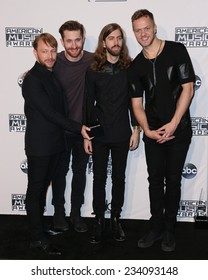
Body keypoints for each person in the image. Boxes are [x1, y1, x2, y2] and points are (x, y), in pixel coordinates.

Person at [128, 9, 195, 252]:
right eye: (138, 30)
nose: (143, 33)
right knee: (155, 181)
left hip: (179, 130)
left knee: (173, 180)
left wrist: (175, 123)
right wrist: (147, 130)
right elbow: (136, 104)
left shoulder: (176, 50)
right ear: (134, 32)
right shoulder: (135, 66)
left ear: (154, 27)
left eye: (146, 28)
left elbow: (188, 89)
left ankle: (169, 229)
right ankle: (155, 226)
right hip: (153, 134)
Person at [22, 33, 91, 255]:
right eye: (45, 51)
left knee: (42, 190)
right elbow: (50, 113)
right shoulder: (33, 79)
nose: (50, 55)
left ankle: (40, 229)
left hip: (53, 144)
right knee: (35, 191)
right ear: (35, 53)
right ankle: (36, 238)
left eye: (52, 51)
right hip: (40, 147)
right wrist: (77, 127)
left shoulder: (49, 74)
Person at [83, 23, 140, 244]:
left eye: (119, 38)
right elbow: (88, 104)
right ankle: (99, 220)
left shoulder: (130, 68)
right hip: (99, 134)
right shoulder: (93, 70)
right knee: (99, 178)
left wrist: (136, 129)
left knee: (119, 178)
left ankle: (116, 219)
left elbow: (135, 103)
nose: (116, 42)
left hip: (122, 133)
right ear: (103, 42)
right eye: (111, 38)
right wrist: (87, 135)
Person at [50, 21, 94, 233]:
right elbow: (36, 75)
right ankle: (59, 213)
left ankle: (76, 214)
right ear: (62, 41)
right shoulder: (53, 61)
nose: (74, 45)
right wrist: (27, 74)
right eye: (69, 40)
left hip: (83, 131)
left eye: (78, 40)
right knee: (59, 174)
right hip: (59, 130)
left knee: (79, 174)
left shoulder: (93, 60)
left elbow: (118, 64)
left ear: (83, 39)